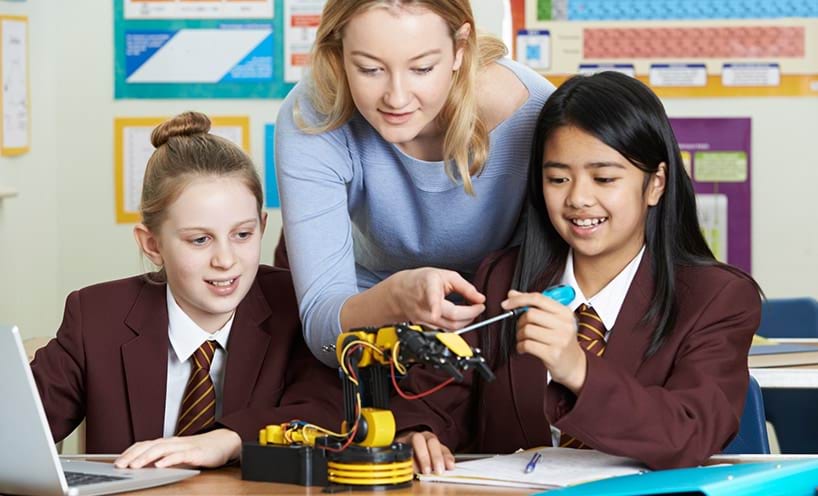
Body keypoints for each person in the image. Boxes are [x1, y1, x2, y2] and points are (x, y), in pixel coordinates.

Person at [393, 72, 763, 472]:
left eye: (604, 178)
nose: (578, 199)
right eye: (558, 179)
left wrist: (578, 369)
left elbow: (690, 433)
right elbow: (435, 398)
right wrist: (418, 432)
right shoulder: (502, 278)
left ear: (655, 184)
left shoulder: (716, 298)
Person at [30, 112, 342, 469]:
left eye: (243, 234)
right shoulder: (98, 316)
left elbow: (329, 410)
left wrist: (228, 440)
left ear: (262, 226)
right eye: (199, 239)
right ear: (152, 245)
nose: (226, 260)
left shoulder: (298, 306)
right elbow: (23, 423)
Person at [275, 0, 555, 365]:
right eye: (369, 69)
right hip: (366, 329)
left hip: (494, 333)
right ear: (338, 52)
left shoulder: (534, 113)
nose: (397, 97)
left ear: (459, 48)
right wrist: (393, 301)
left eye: (422, 68)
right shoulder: (311, 113)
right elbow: (322, 330)